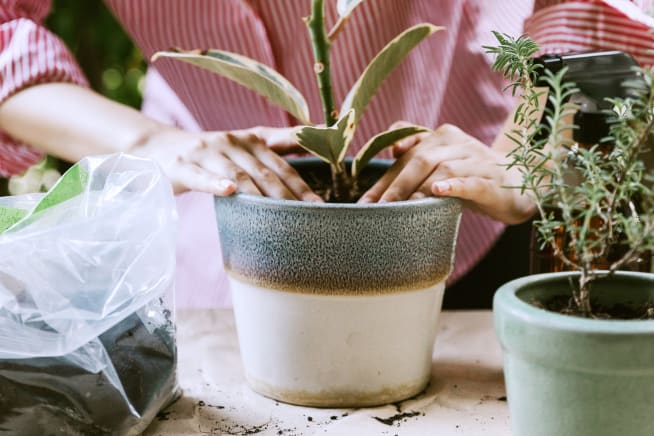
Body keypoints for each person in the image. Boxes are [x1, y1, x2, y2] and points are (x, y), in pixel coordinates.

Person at [1, 0, 653, 308]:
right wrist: (147, 144)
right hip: (220, 233)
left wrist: (525, 161)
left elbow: (597, 11)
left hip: (456, 218)